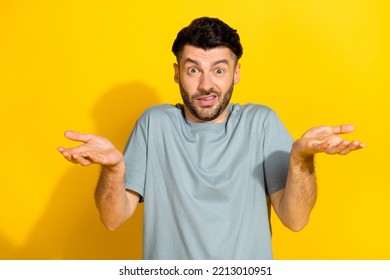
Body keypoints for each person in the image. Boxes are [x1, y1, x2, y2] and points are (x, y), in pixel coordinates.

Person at [58, 17, 365, 259]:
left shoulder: (260, 123)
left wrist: (301, 159)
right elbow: (112, 219)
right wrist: (113, 169)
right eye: (193, 70)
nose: (206, 85)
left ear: (236, 73)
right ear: (177, 73)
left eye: (219, 70)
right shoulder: (155, 124)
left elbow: (296, 220)